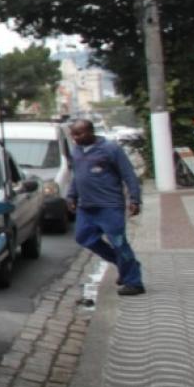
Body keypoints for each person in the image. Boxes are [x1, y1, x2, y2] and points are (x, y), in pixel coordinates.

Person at [65, 118, 145, 296]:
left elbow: (128, 175)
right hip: (86, 207)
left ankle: (134, 282)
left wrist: (135, 199)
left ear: (90, 132)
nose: (75, 138)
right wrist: (71, 195)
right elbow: (77, 176)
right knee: (84, 238)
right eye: (73, 134)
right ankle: (126, 265)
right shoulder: (76, 150)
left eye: (78, 134)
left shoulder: (111, 149)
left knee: (118, 243)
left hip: (110, 206)